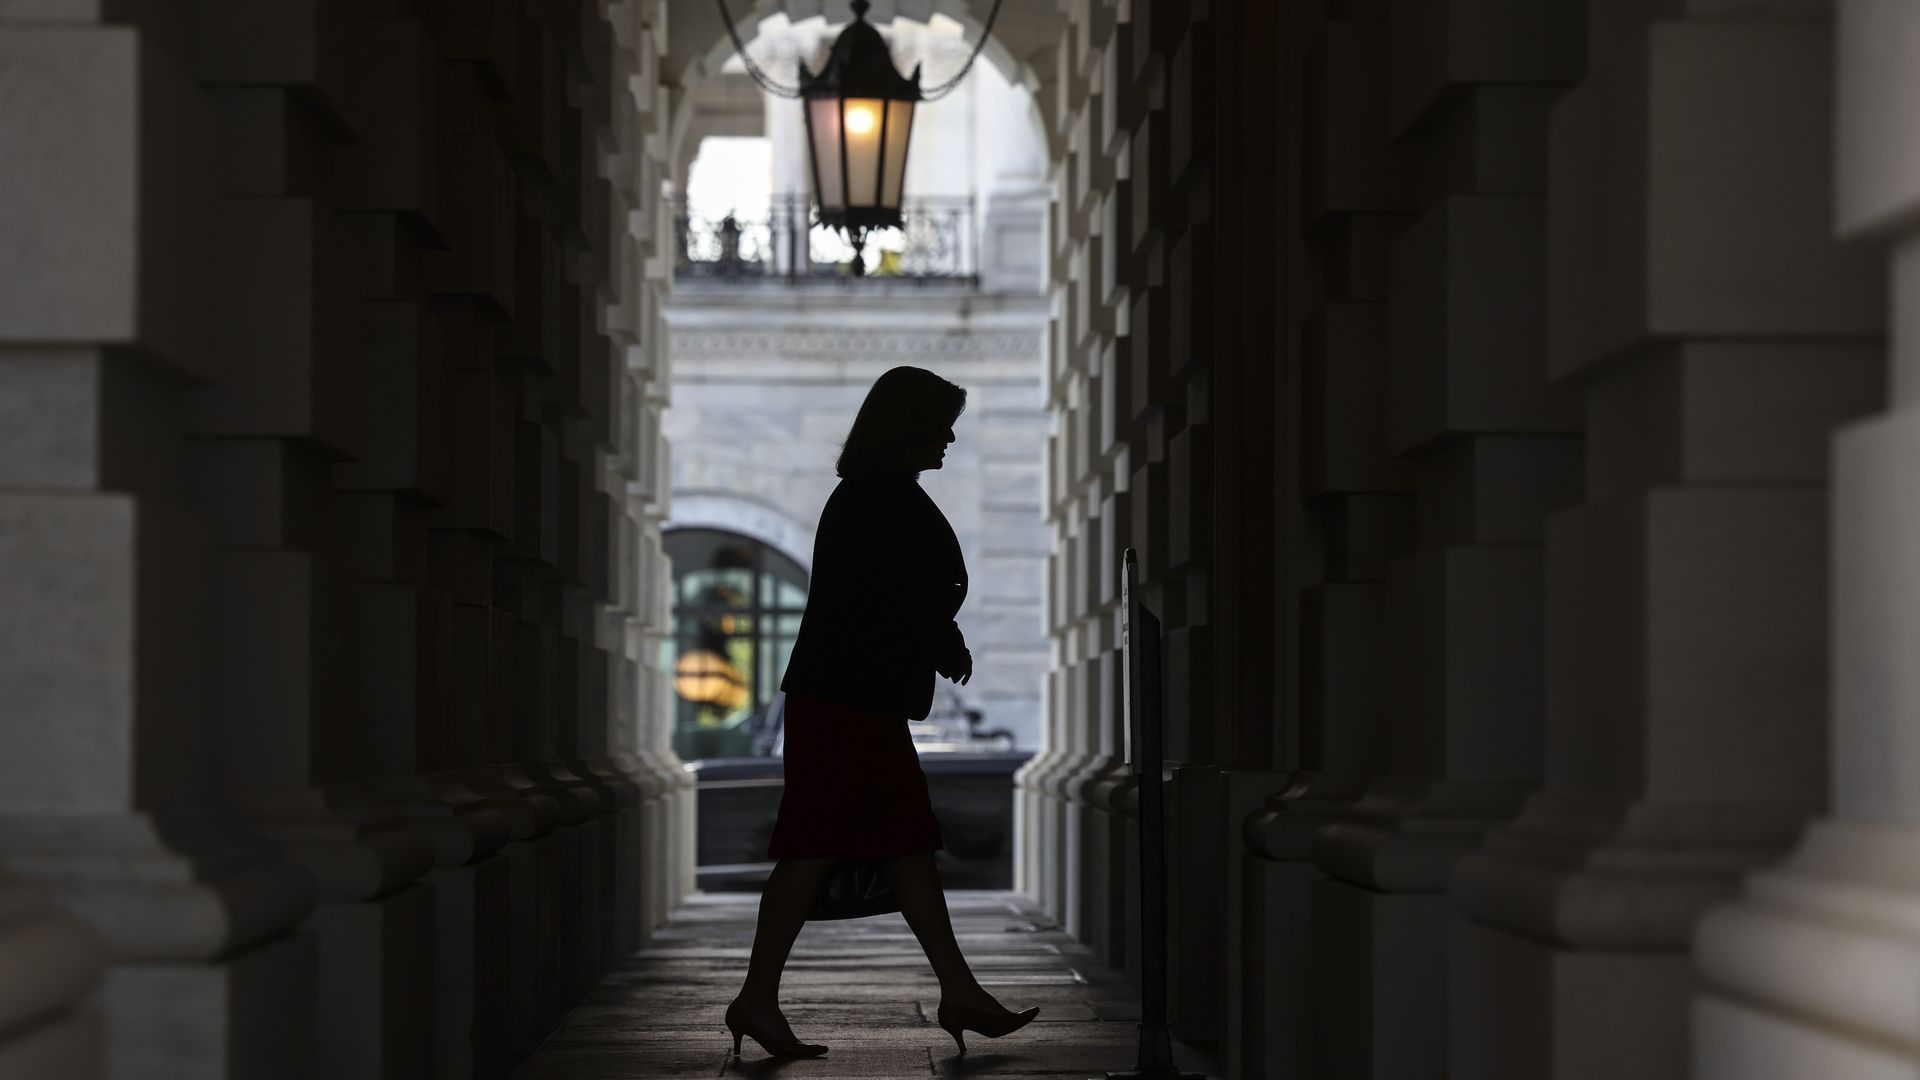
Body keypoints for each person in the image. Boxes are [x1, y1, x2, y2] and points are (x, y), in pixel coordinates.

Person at [724, 366, 1040, 1059]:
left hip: (849, 700)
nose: (951, 437)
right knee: (827, 846)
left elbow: (895, 591)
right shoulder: (875, 498)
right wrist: (940, 637)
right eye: (942, 423)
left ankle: (956, 990)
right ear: (910, 426)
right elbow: (889, 596)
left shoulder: (874, 495)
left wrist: (937, 635)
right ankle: (759, 998)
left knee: (900, 841)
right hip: (847, 705)